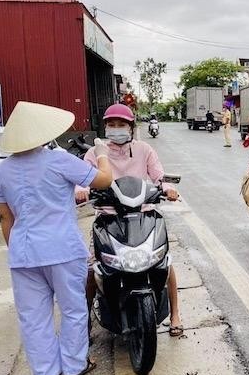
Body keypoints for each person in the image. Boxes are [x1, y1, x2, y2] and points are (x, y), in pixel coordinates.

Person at [0, 101, 113, 375]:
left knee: (33, 317)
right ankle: (73, 367)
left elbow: (5, 217)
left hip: (23, 253)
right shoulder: (58, 160)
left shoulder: (1, 171)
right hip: (62, 248)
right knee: (72, 310)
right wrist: (102, 154)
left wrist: (19, 250)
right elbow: (104, 180)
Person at [75, 104, 184, 337]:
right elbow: (83, 177)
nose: (116, 129)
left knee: (164, 261)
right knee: (92, 267)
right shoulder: (95, 153)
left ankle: (175, 314)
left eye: (121, 125)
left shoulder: (145, 150)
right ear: (105, 127)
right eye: (111, 125)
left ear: (131, 127)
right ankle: (84, 320)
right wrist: (81, 189)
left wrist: (167, 187)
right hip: (108, 216)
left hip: (143, 214)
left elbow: (159, 175)